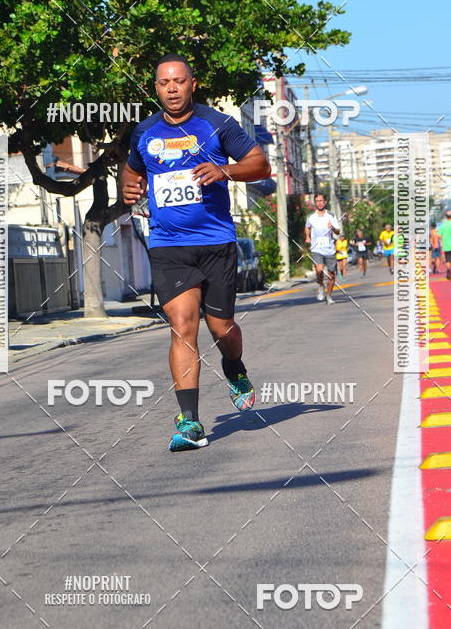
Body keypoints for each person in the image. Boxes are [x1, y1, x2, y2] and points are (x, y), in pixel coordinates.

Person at [122, 54, 271, 452]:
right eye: (164, 83)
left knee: (221, 327)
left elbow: (260, 163)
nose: (172, 89)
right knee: (182, 326)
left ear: (193, 83)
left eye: (179, 81)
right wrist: (129, 188)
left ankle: (234, 367)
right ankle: (190, 422)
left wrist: (225, 170)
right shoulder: (144, 132)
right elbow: (133, 169)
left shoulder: (217, 124)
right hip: (169, 245)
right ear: (156, 88)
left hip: (216, 242)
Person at [305, 193, 340, 305]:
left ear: (325, 202)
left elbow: (338, 231)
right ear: (315, 203)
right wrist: (307, 237)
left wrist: (333, 227)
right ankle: (321, 286)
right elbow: (307, 227)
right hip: (317, 248)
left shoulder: (331, 215)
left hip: (329, 248)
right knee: (319, 269)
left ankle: (329, 296)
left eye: (321, 200)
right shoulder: (311, 216)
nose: (319, 203)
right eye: (317, 201)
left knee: (331, 274)